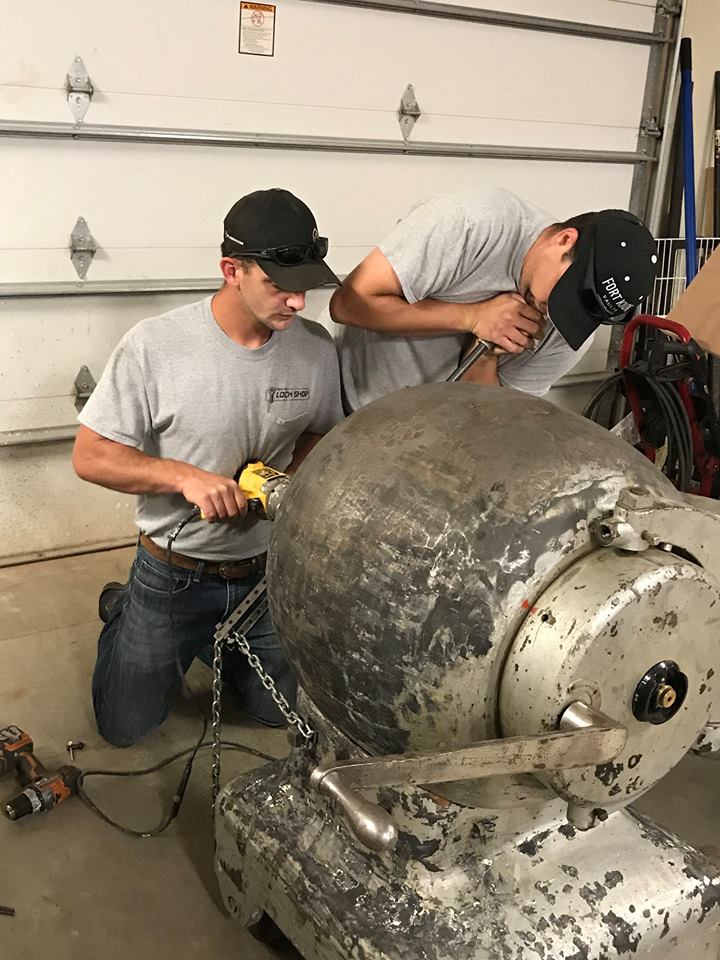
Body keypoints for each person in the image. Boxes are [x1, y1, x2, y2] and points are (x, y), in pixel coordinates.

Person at [73, 188, 343, 747]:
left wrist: (293, 477)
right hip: (174, 571)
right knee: (125, 729)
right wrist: (183, 477)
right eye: (278, 286)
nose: (296, 303)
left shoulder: (315, 349)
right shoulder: (156, 346)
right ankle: (125, 612)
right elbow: (90, 454)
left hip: (264, 572)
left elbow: (320, 429)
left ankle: (211, 639)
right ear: (231, 270)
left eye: (305, 289)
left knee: (277, 714)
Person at [330, 185, 658, 412]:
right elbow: (348, 303)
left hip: (425, 433)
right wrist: (472, 317)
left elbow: (487, 416)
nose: (557, 314)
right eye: (566, 293)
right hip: (344, 402)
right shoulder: (473, 222)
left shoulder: (571, 329)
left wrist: (486, 353)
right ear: (564, 240)